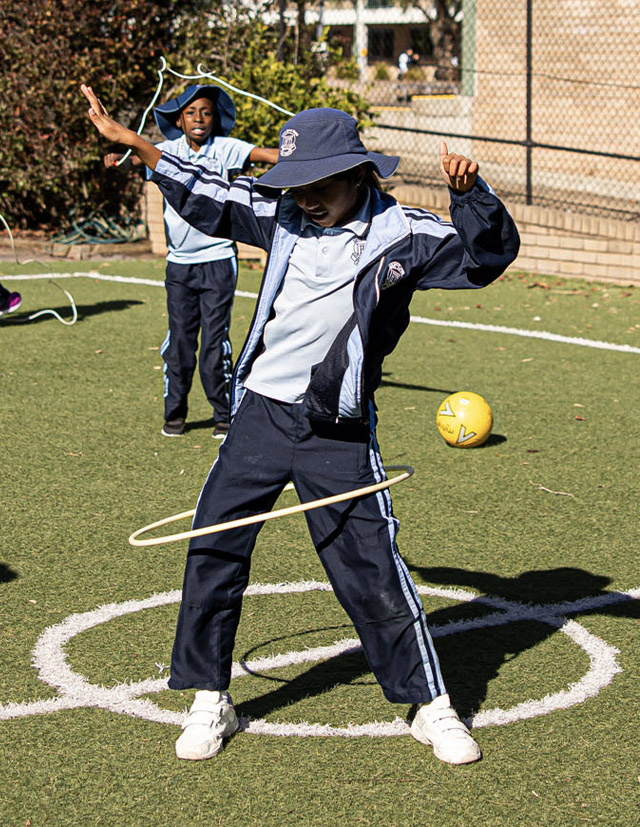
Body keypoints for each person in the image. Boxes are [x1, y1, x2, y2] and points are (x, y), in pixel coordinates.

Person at [81, 84, 520, 765]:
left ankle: (431, 705)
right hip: (258, 413)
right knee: (214, 547)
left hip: (336, 430)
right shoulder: (281, 214)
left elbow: (485, 258)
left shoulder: (404, 233)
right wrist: (141, 145)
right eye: (292, 183)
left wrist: (473, 197)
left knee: (369, 565)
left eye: (316, 183)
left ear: (356, 173)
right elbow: (209, 193)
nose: (303, 196)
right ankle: (209, 694)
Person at [104, 85, 278, 439]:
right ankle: (175, 413)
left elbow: (268, 155)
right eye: (191, 112)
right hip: (179, 266)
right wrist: (118, 158)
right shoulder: (167, 152)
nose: (199, 119)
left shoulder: (226, 149)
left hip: (218, 261)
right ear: (179, 119)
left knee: (215, 344)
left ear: (216, 119)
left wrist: (306, 154)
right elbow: (134, 157)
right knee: (180, 342)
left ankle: (223, 415)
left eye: (207, 112)